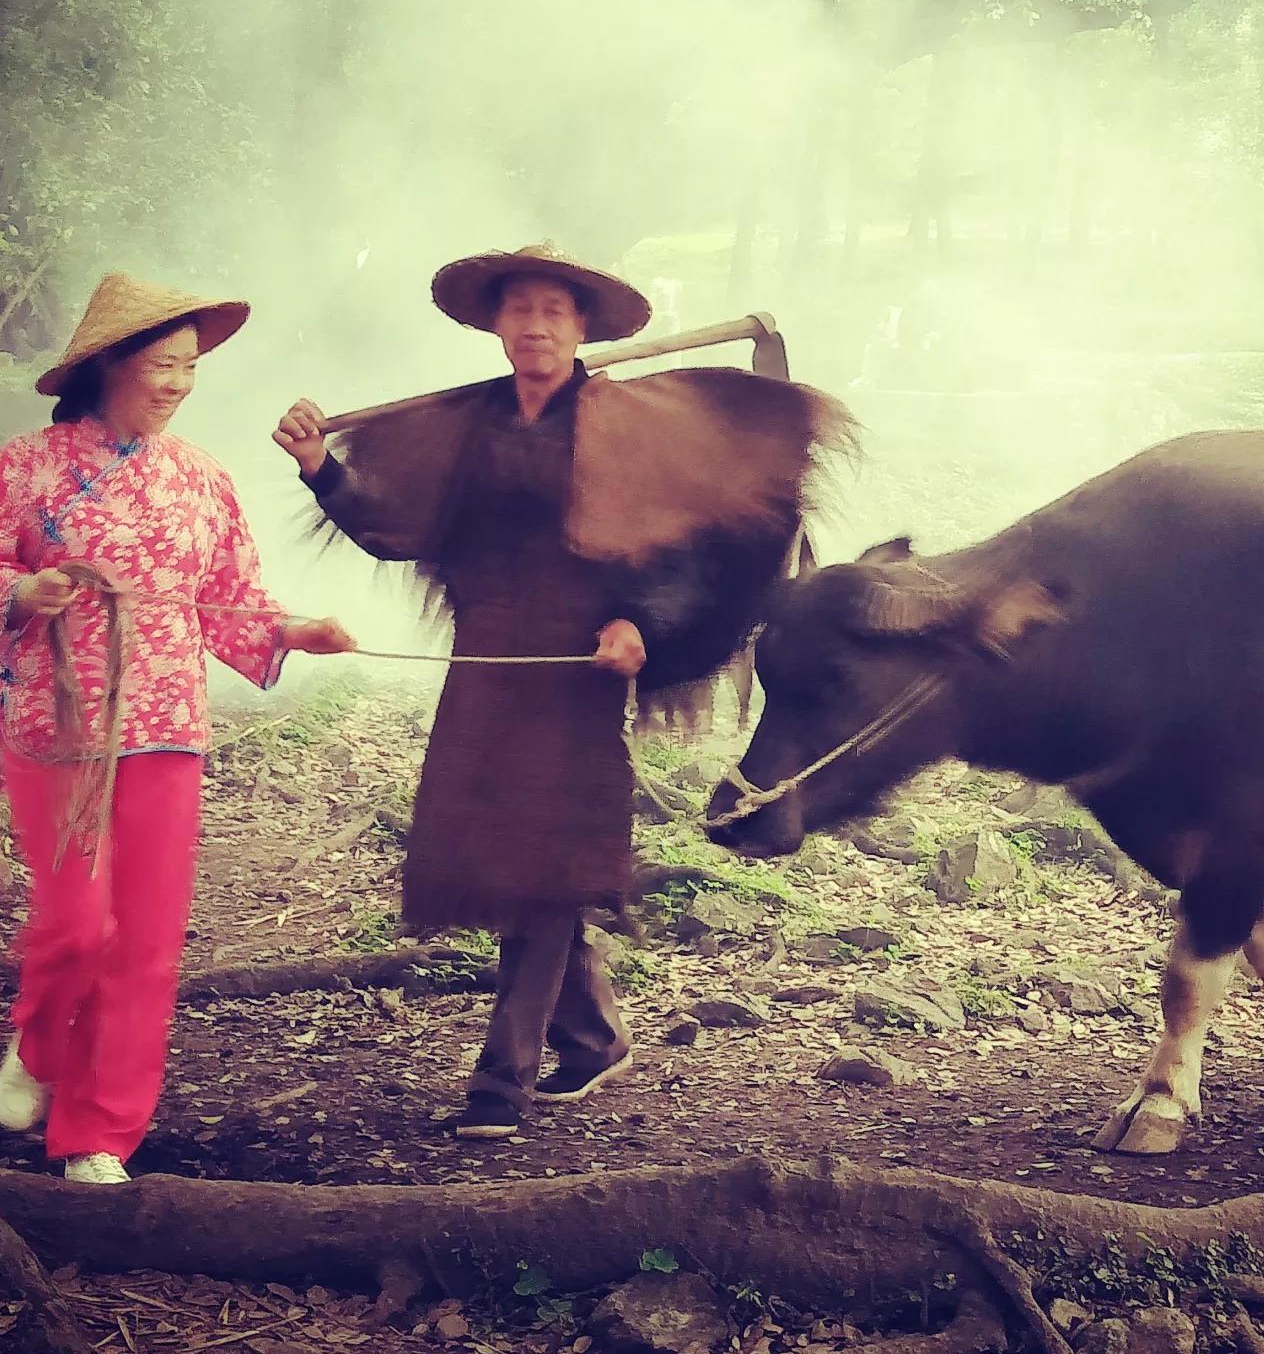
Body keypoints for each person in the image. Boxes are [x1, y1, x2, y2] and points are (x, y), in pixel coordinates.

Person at [274, 245, 844, 1139]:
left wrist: (639, 625)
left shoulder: (628, 426)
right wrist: (320, 466)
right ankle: (592, 1036)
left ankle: (501, 1080)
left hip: (577, 671)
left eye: (554, 312)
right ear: (496, 326)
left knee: (544, 870)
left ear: (581, 330)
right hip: (486, 665)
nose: (535, 326)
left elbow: (684, 552)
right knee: (509, 863)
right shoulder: (465, 427)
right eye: (519, 310)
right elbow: (398, 529)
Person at [0, 271, 356, 1184]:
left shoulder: (202, 479)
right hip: (57, 719)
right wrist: (25, 590)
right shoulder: (28, 466)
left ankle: (99, 1130)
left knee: (147, 936)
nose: (177, 382)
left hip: (166, 717)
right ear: (109, 367)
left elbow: (230, 602)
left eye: (190, 367)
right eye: (161, 364)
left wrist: (295, 633)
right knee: (76, 924)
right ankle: (43, 1043)